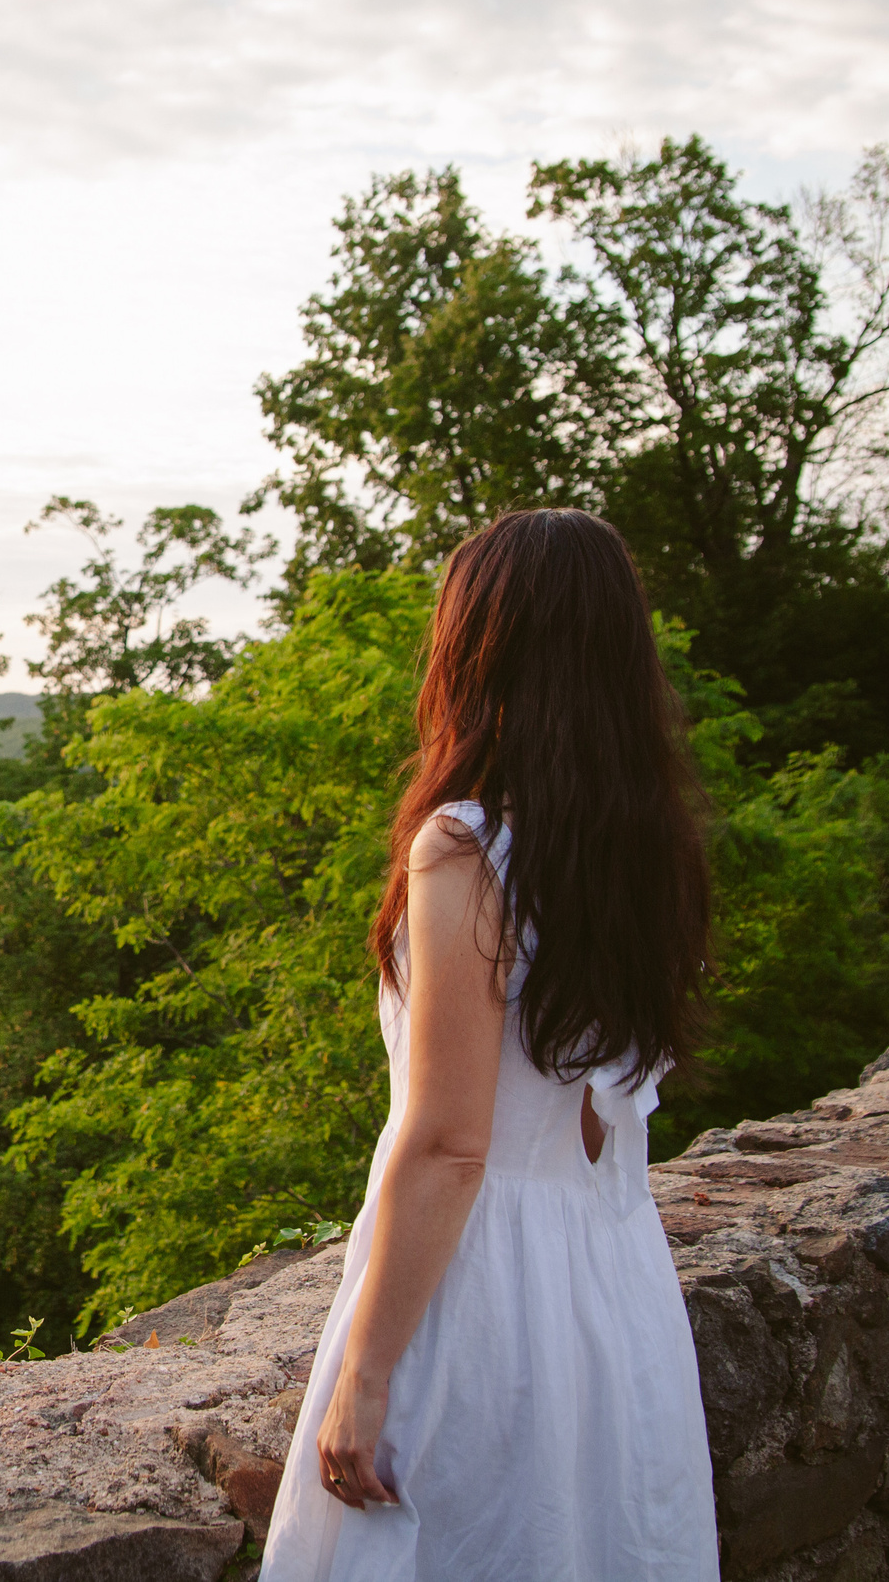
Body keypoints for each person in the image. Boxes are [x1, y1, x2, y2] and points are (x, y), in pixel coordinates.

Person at [260, 509, 720, 1581]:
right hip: (612, 1289)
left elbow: (452, 1142)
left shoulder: (464, 846)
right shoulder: (643, 842)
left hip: (480, 1298)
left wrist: (364, 1375)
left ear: (480, 645)